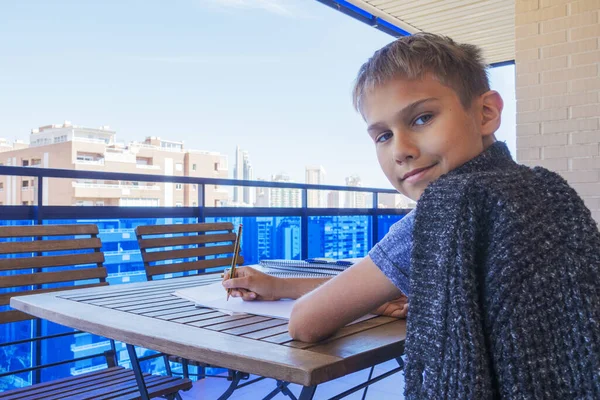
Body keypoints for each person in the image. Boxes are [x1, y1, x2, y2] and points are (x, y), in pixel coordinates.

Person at [224, 33, 600, 398]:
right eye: (383, 136)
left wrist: (289, 293)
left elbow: (306, 323)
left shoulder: (451, 207)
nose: (401, 150)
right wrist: (276, 285)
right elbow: (371, 286)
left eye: (422, 118)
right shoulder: (541, 189)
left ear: (486, 113)